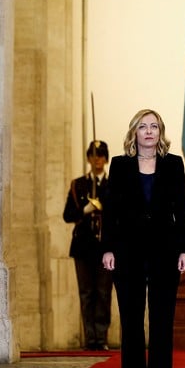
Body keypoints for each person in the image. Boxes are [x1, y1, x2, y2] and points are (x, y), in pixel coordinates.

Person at [101, 109, 185, 368]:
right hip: (128, 251)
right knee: (131, 318)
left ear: (161, 132)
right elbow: (111, 212)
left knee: (162, 319)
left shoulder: (174, 165)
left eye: (154, 126)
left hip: (166, 251)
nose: (149, 131)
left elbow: (183, 210)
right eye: (143, 127)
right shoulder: (119, 165)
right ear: (134, 133)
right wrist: (108, 248)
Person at [63, 140, 114, 350]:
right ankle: (90, 338)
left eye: (101, 156)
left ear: (106, 159)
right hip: (83, 246)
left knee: (103, 292)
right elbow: (68, 215)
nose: (97, 160)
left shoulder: (113, 185)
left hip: (105, 247)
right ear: (88, 159)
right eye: (93, 156)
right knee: (86, 293)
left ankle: (101, 338)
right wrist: (85, 210)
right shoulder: (79, 185)